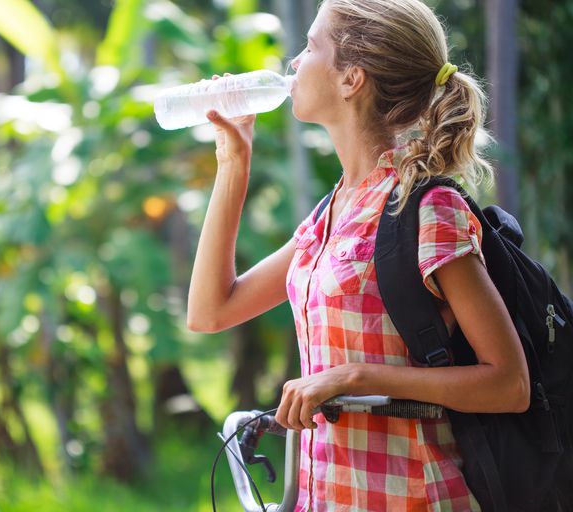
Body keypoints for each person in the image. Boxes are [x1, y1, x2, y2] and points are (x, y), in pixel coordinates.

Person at [186, 0, 531, 510]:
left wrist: (354, 377)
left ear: (352, 79)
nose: (294, 64)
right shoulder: (331, 214)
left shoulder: (427, 209)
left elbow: (509, 383)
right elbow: (211, 311)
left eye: (309, 47)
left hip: (412, 498)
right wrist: (234, 161)